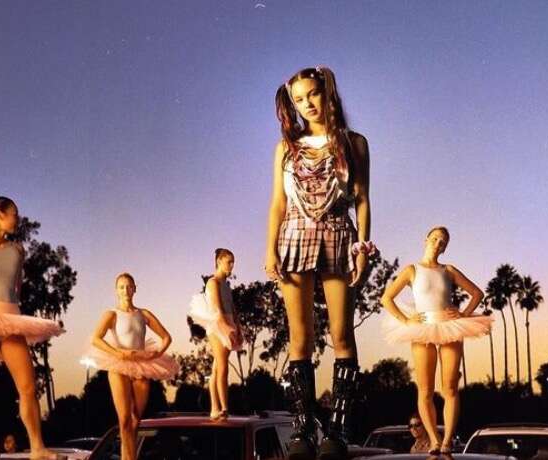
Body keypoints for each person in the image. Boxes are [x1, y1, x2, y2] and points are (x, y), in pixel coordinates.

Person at [265, 66, 374, 460]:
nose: (307, 104)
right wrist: (270, 249)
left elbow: (362, 199)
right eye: (298, 99)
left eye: (312, 94)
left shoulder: (354, 143)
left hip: (338, 235)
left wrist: (362, 248)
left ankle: (338, 431)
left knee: (342, 334)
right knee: (300, 339)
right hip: (294, 237)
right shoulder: (286, 148)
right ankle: (302, 431)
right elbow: (278, 203)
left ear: (327, 93)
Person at [0, 195, 64, 459]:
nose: (17, 219)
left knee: (28, 387)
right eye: (14, 214)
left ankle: (37, 447)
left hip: (11, 319)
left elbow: (16, 288)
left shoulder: (18, 250)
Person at [381, 226, 491, 456]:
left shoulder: (448, 270)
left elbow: (477, 293)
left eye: (443, 242)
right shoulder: (412, 270)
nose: (438, 243)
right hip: (422, 328)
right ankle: (434, 439)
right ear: (426, 240)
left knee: (449, 386)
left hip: (449, 326)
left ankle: (448, 439)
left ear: (445, 248)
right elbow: (386, 298)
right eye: (435, 239)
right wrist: (405, 320)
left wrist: (464, 313)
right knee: (425, 389)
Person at [88, 272, 178, 460]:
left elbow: (166, 337)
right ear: (116, 291)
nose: (126, 290)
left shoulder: (143, 314)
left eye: (129, 286)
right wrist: (118, 353)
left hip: (141, 366)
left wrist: (157, 354)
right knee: (124, 419)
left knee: (136, 420)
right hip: (119, 365)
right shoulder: (112, 314)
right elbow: (95, 339)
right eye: (121, 287)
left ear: (135, 289)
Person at [189, 248, 243, 420]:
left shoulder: (226, 284)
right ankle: (224, 407)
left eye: (233, 262)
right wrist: (227, 329)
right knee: (222, 367)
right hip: (218, 324)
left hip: (229, 322)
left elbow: (232, 308)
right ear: (219, 262)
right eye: (229, 262)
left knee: (217, 367)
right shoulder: (213, 283)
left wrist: (238, 327)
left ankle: (215, 408)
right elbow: (217, 310)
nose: (231, 266)